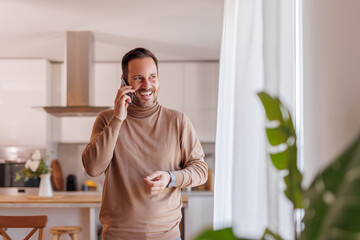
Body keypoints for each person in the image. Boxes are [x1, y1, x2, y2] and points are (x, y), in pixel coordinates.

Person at [82, 47, 208, 240]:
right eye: (138, 78)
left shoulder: (178, 121)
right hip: (117, 236)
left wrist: (170, 178)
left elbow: (201, 170)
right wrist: (118, 119)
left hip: (167, 236)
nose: (147, 85)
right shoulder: (107, 120)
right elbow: (93, 167)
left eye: (153, 77)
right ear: (124, 81)